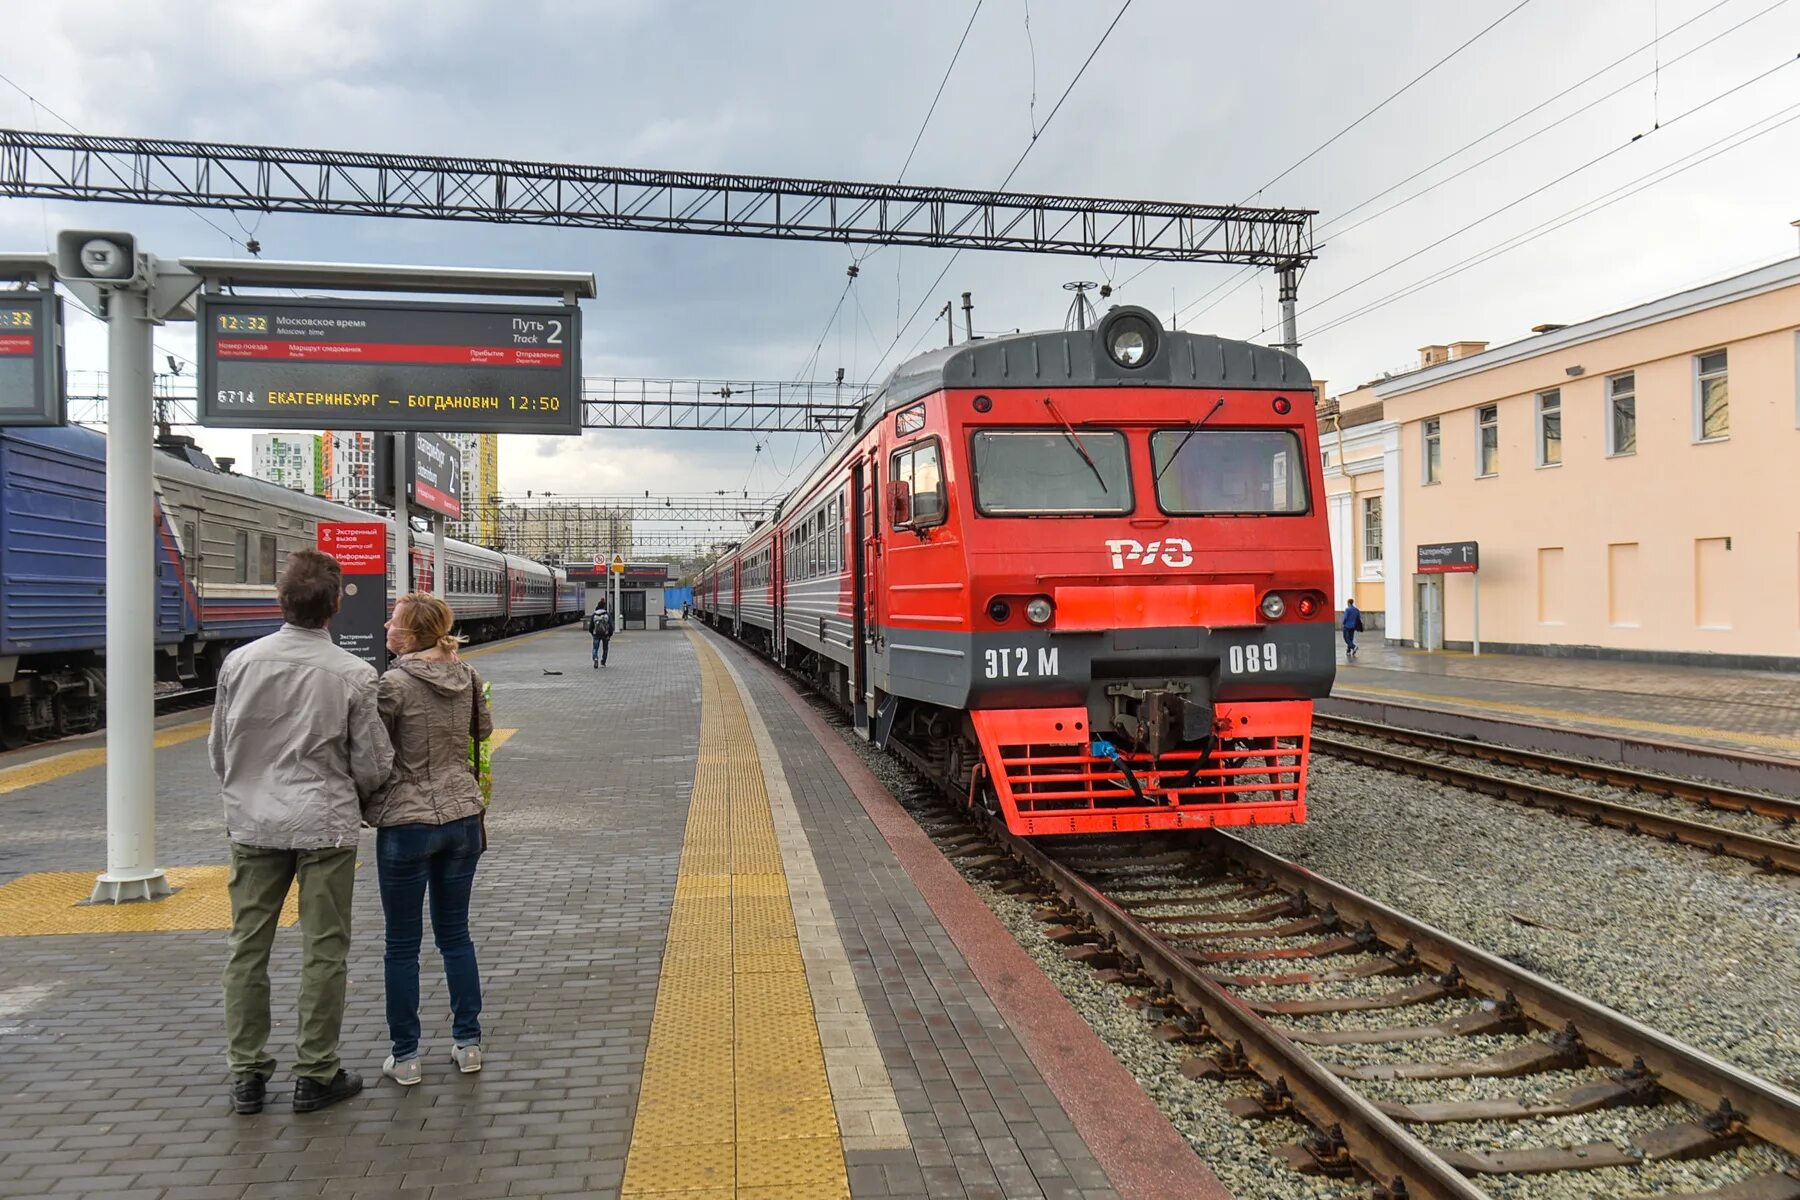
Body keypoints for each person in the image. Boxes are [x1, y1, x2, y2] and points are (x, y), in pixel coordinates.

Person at [211, 548, 393, 1116]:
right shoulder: (355, 675)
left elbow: (220, 749)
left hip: (253, 824)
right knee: (324, 950)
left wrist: (247, 789)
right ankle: (316, 1073)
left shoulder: (238, 664)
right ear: (336, 605)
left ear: (280, 601)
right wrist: (357, 796)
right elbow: (373, 762)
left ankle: (246, 1075)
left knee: (247, 947)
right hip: (326, 827)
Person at [365, 592, 493, 1087]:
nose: (386, 624)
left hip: (406, 821)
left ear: (410, 635)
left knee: (401, 944)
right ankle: (468, 1044)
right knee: (455, 935)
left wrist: (368, 802)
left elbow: (374, 754)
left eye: (393, 620)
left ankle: (406, 1055)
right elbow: (482, 733)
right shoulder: (469, 677)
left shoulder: (391, 685)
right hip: (462, 816)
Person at [589, 599, 613, 668]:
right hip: (605, 634)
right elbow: (611, 626)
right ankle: (603, 662)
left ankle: (595, 658)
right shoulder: (607, 614)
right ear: (604, 606)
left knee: (595, 648)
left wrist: (592, 633)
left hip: (596, 634)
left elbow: (591, 626)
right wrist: (609, 635)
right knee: (605, 649)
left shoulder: (594, 614)